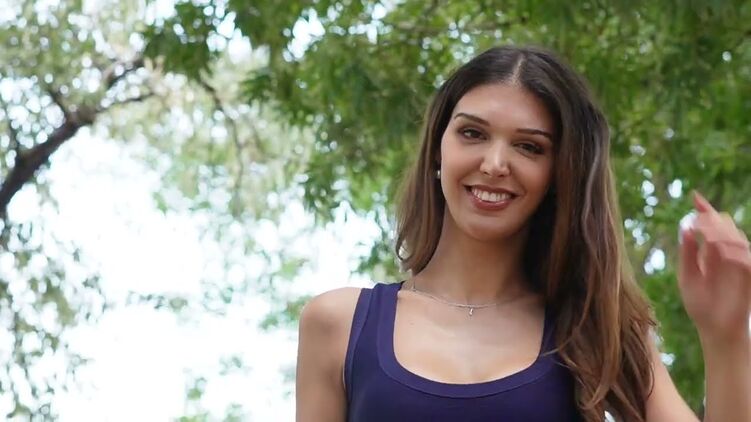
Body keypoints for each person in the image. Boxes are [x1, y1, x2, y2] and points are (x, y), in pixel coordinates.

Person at [294, 46, 751, 422]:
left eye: (529, 147)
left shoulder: (594, 328)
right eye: (472, 133)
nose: (495, 164)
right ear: (437, 149)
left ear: (559, 174)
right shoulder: (339, 325)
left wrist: (726, 337)